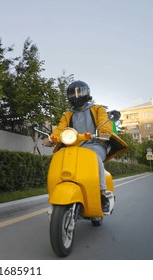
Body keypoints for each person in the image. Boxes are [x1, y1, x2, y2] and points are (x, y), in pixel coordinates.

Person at [48, 80, 129, 212]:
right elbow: (60, 129)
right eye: (72, 94)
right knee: (58, 157)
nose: (76, 96)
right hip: (73, 147)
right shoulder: (67, 115)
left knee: (94, 157)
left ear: (87, 93)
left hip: (95, 144)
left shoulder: (98, 109)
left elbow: (104, 122)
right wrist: (51, 138)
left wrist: (104, 132)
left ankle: (102, 193)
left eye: (79, 92)